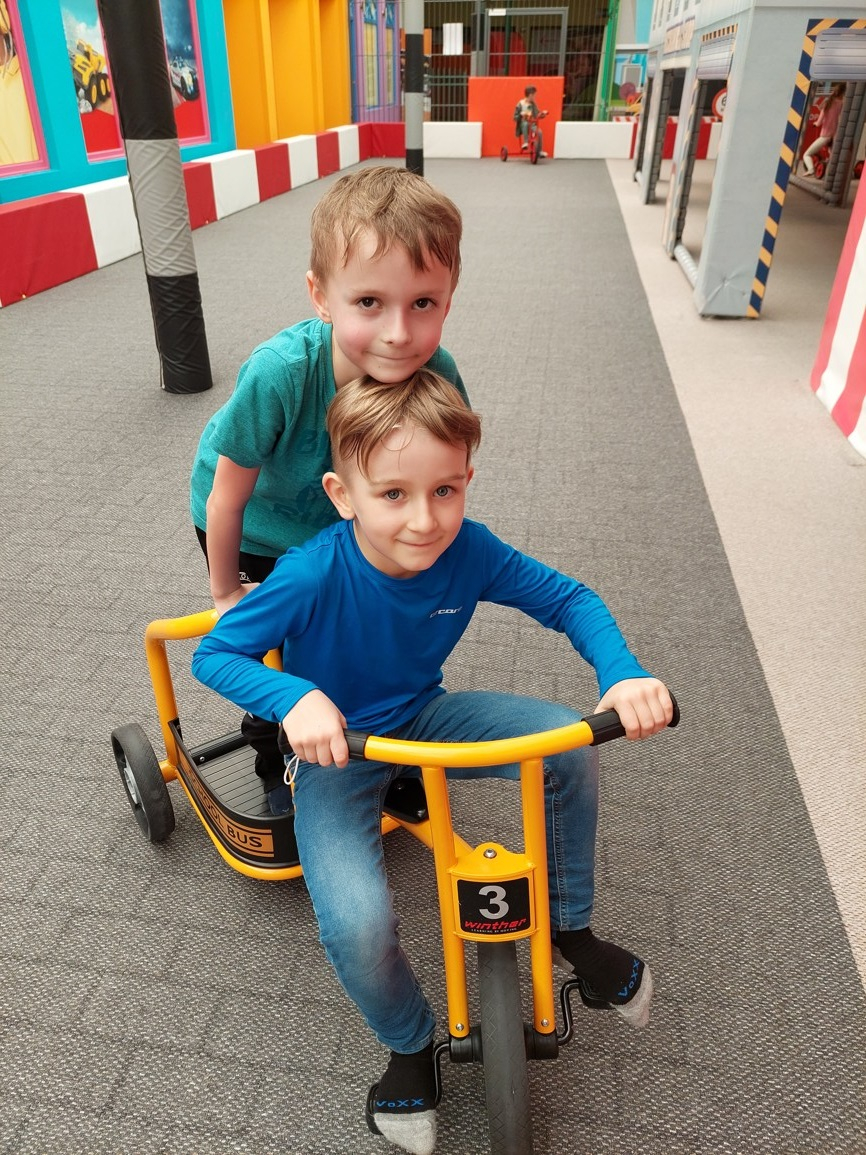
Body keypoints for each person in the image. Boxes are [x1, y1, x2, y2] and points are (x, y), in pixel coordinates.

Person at [192, 369, 674, 1155]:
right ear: (343, 495)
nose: (425, 520)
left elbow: (571, 599)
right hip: (340, 748)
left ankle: (570, 929)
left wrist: (620, 672)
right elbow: (215, 652)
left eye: (445, 490)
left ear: (466, 481)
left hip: (423, 716)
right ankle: (409, 1043)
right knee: (355, 920)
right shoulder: (313, 570)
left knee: (567, 745)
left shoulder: (468, 548)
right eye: (393, 494)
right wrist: (293, 697)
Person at [189, 165, 467, 815]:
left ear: (448, 298)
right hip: (255, 526)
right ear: (321, 296)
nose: (398, 333)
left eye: (422, 303)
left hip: (351, 521)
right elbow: (227, 497)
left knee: (373, 630)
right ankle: (277, 755)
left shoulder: (437, 372)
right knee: (281, 650)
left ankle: (388, 749)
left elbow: (443, 472)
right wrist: (225, 591)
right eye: (369, 302)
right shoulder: (282, 373)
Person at [802, 83, 845, 176]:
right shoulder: (841, 104)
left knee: (806, 154)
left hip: (825, 136)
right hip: (834, 136)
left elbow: (819, 122)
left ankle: (811, 169)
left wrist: (815, 124)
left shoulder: (827, 103)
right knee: (833, 156)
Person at [513, 84, 547, 155]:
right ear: (530, 95)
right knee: (525, 124)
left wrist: (543, 114)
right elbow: (515, 117)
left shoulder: (533, 104)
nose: (535, 97)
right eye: (534, 95)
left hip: (532, 124)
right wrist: (520, 115)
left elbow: (537, 114)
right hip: (522, 124)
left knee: (539, 132)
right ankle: (525, 142)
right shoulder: (520, 104)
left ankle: (540, 151)